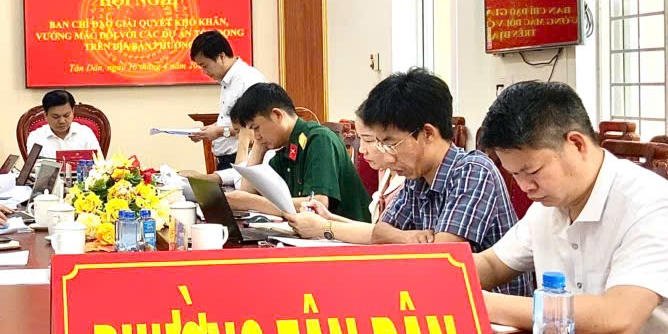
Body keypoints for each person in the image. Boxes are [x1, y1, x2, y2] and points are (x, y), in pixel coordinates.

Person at [472, 81, 668, 334]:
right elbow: (491, 264)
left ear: (576, 144)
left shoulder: (653, 205)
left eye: (532, 171)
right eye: (515, 174)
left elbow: (618, 318)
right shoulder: (550, 206)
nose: (525, 187)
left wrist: (482, 304)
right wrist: (430, 276)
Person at [359, 68, 530, 296]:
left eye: (391, 145)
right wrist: (409, 238)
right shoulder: (416, 176)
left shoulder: (473, 171)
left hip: (496, 309)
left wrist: (410, 241)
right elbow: (380, 233)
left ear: (428, 133)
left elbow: (442, 259)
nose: (388, 158)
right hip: (440, 295)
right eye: (382, 145)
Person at [224, 83, 371, 222]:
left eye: (256, 128)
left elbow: (318, 204)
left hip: (348, 236)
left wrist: (251, 202)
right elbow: (246, 195)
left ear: (277, 115)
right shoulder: (285, 151)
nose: (256, 136)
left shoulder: (319, 139)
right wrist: (259, 148)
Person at [286, 122, 413, 243]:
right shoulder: (385, 172)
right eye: (360, 139)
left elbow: (385, 236)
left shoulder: (410, 178)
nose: (361, 149)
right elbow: (377, 231)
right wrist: (328, 218)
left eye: (369, 140)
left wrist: (323, 227)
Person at [188, 30, 269, 171]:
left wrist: (219, 131)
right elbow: (230, 121)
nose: (204, 72)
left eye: (205, 66)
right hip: (227, 161)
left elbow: (255, 127)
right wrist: (207, 131)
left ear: (221, 56)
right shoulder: (228, 81)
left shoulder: (248, 80)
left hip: (245, 159)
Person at [24, 89, 102, 160]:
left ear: (73, 112)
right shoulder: (36, 137)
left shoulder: (85, 133)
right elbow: (34, 168)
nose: (62, 121)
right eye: (56, 117)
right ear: (45, 115)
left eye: (66, 115)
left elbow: (99, 164)